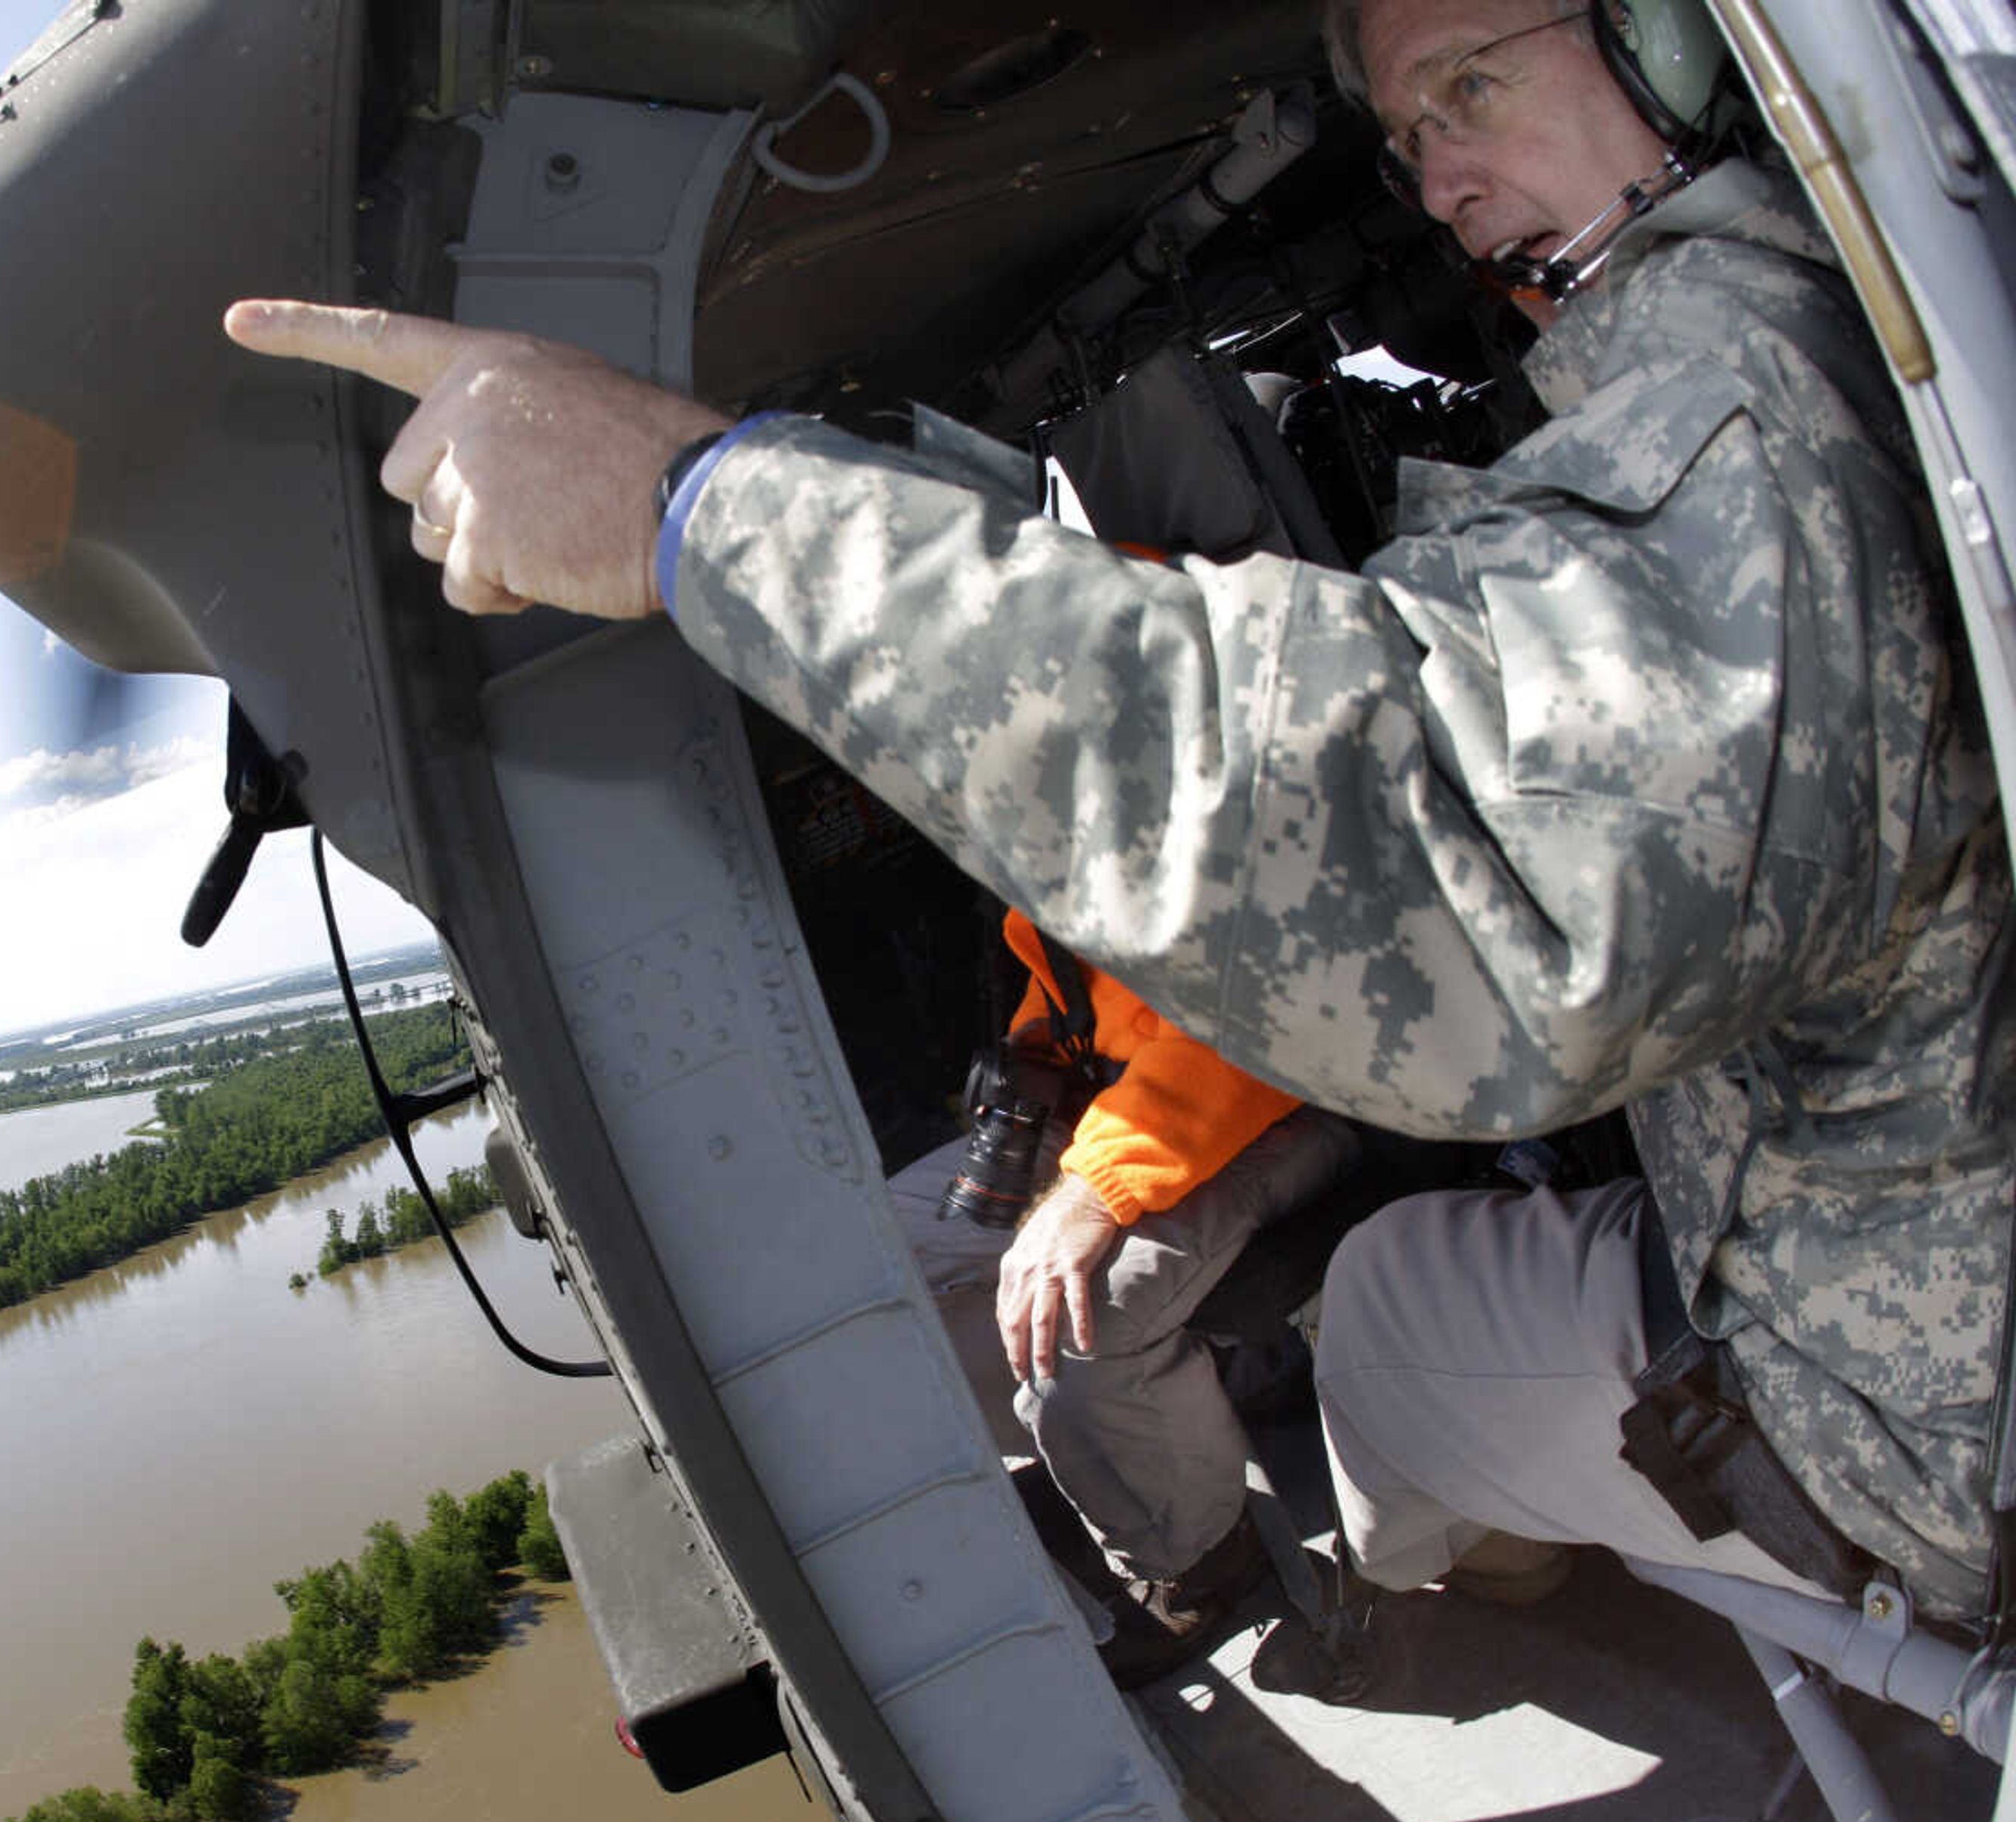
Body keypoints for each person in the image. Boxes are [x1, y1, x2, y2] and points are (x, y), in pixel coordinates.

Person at [225, 0, 2014, 1624]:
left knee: (1377, 1313)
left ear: (1675, 48)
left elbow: (1435, 895)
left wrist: (705, 513)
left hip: (1918, 1400)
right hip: (1879, 1234)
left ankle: (1446, 1584)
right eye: (1407, 142)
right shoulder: (1753, 376)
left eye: (1470, 85)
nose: (1442, 184)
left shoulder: (1739, 430)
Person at [894, 908, 1356, 1683]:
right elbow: (1089, 978)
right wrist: (1033, 1056)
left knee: (1082, 1326)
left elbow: (1262, 1014)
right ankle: (1116, 1449)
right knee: (885, 1259)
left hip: (1277, 1091)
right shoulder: (1055, 826)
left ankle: (1201, 1556)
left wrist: (1090, 1193)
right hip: (1112, 1100)